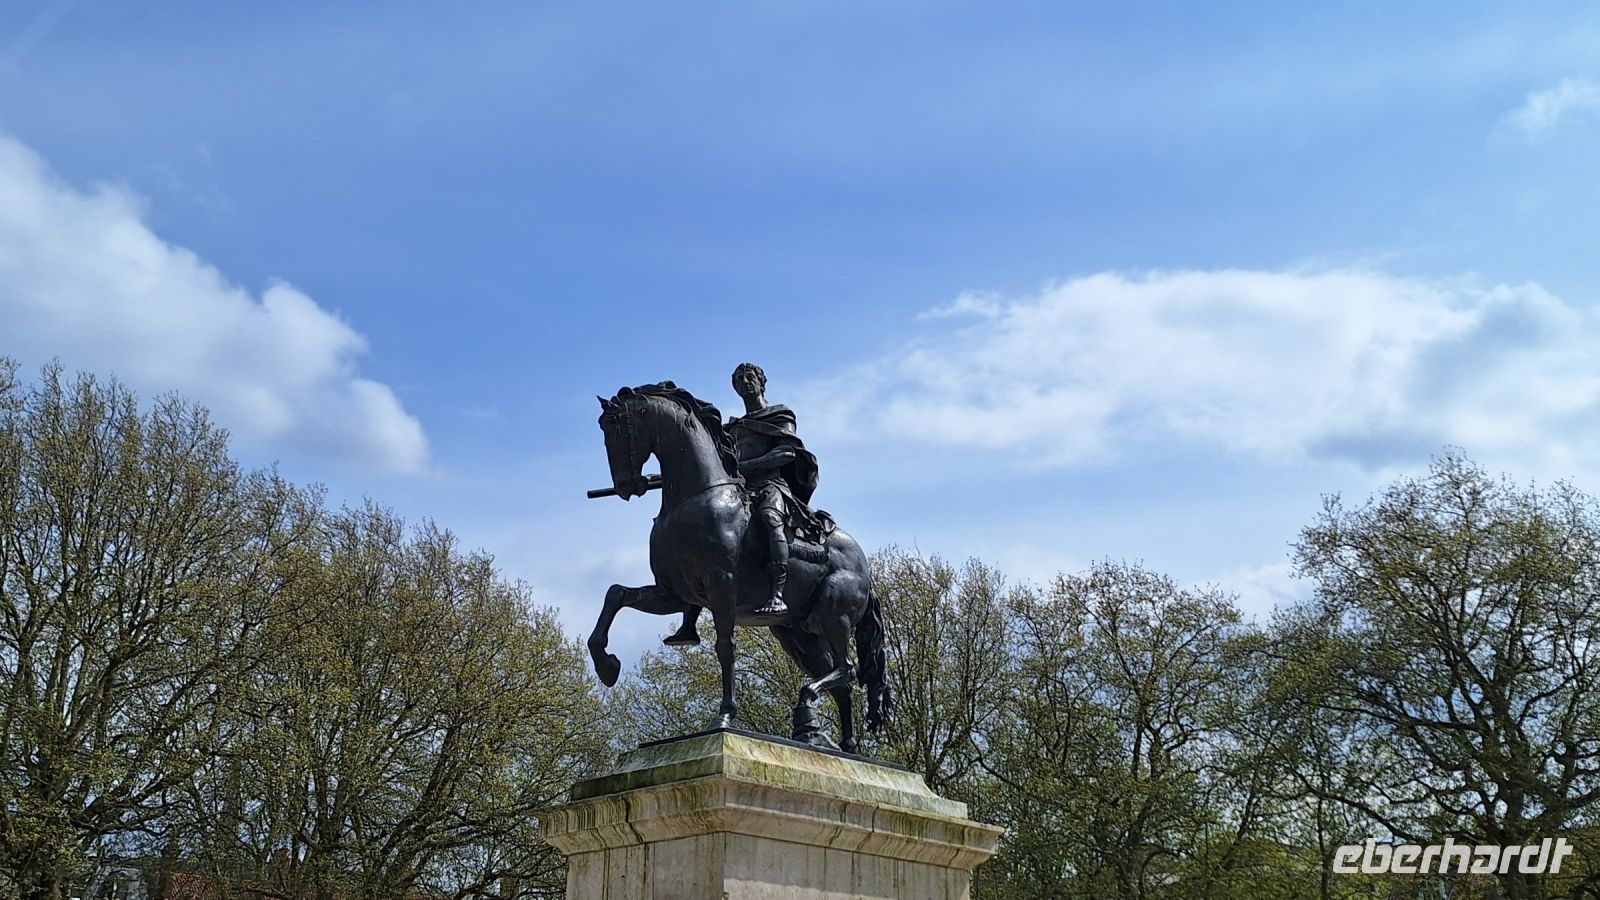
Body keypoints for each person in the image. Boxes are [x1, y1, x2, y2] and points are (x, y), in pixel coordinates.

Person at [662, 363, 823, 645]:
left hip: (771, 486)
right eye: (739, 380)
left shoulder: (779, 414)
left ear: (762, 382)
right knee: (706, 534)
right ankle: (690, 622)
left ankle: (777, 593)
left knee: (770, 520)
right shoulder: (732, 428)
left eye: (750, 377)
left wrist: (747, 466)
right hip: (739, 491)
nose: (745, 382)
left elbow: (787, 452)